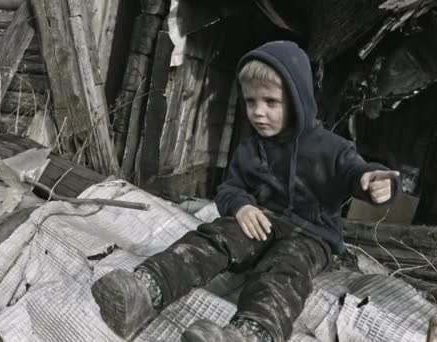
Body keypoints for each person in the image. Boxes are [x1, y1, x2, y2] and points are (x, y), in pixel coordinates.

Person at [91, 40, 400, 342]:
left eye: (271, 102)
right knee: (217, 236)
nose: (258, 112)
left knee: (283, 271)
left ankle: (249, 333)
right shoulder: (251, 149)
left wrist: (372, 181)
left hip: (312, 236)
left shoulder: (333, 149)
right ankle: (144, 290)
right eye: (251, 101)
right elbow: (230, 188)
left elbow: (356, 172)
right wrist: (241, 206)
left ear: (298, 100)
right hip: (262, 221)